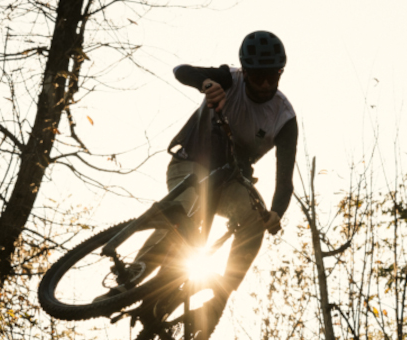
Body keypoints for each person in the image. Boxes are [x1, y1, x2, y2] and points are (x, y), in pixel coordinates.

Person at [116, 31, 298, 313]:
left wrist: (276, 212)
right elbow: (181, 71)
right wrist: (205, 82)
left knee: (255, 218)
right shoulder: (229, 79)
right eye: (258, 76)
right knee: (188, 207)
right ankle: (131, 277)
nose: (265, 84)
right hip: (190, 163)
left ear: (280, 73)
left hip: (228, 182)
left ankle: (221, 296)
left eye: (272, 77)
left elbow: (285, 181)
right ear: (245, 72)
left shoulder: (284, 118)